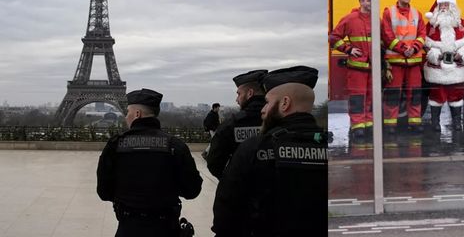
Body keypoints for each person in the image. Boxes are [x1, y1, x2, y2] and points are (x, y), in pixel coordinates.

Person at [211, 66, 328, 237]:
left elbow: (225, 212)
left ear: (285, 103)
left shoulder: (254, 148)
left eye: (267, 102)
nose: (262, 109)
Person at [97, 88, 203, 237]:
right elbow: (192, 190)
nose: (126, 116)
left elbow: (104, 192)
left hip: (129, 227)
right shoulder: (175, 145)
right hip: (166, 227)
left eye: (128, 112)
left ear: (137, 114)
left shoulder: (115, 145)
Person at [423, 0, 464, 132]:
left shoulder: (462, 23)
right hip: (437, 68)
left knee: (457, 95)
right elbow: (424, 43)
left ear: (453, 6)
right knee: (436, 96)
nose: (444, 7)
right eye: (442, 4)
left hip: (457, 68)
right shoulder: (430, 26)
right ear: (437, 6)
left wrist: (463, 54)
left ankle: (457, 123)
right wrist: (434, 55)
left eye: (447, 4)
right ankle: (435, 123)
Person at [206, 69, 267, 179]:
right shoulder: (280, 122)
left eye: (239, 94)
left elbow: (214, 163)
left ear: (250, 93)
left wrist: (233, 181)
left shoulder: (231, 125)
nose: (237, 99)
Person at [381, 0, 427, 133]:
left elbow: (422, 35)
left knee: (415, 93)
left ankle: (415, 123)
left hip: (413, 61)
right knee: (393, 93)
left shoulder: (417, 13)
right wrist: (403, 49)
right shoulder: (389, 12)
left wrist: (413, 48)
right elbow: (387, 35)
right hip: (395, 61)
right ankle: (390, 125)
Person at [329, 0, 373, 139]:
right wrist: (349, 49)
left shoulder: (376, 20)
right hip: (357, 68)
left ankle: (369, 124)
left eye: (372, 1)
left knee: (371, 98)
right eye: (368, 1)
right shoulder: (350, 19)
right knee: (357, 98)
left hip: (373, 68)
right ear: (361, 2)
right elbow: (334, 37)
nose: (370, 3)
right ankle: (358, 126)